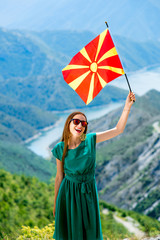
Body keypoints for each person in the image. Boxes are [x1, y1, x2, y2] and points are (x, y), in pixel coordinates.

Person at [51, 91, 135, 240]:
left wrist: (127, 106)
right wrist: (56, 204)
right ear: (68, 123)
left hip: (88, 191)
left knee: (90, 230)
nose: (80, 125)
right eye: (76, 121)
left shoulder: (90, 140)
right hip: (68, 193)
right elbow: (59, 178)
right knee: (71, 232)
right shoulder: (60, 148)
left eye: (83, 123)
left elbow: (118, 130)